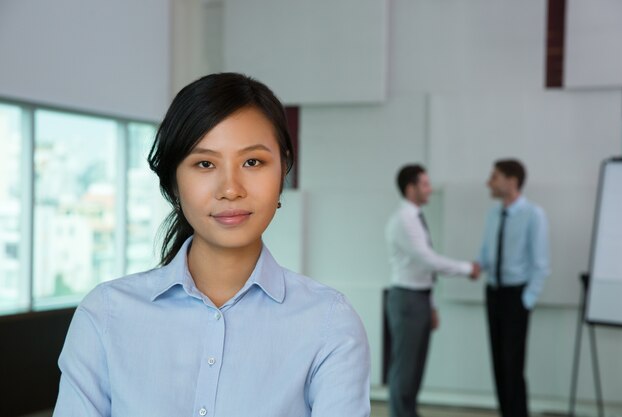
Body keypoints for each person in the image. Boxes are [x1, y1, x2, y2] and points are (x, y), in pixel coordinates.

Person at [52, 73, 371, 417]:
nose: (230, 188)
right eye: (205, 164)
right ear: (174, 183)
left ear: (284, 170)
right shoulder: (105, 315)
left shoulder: (329, 324)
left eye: (253, 162)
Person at [385, 164, 480, 417]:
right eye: (425, 184)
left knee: (415, 370)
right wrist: (466, 268)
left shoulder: (415, 216)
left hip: (420, 298)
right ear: (410, 188)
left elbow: (424, 269)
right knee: (404, 370)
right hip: (407, 299)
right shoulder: (405, 219)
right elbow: (428, 260)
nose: (430, 189)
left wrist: (432, 305)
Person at [477, 159, 550, 417]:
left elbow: (541, 264)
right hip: (494, 293)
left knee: (513, 365)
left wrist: (526, 300)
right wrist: (475, 267)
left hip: (515, 296)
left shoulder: (533, 214)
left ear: (512, 181)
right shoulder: (493, 214)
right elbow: (486, 253)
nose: (489, 182)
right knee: (498, 363)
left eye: (494, 176)